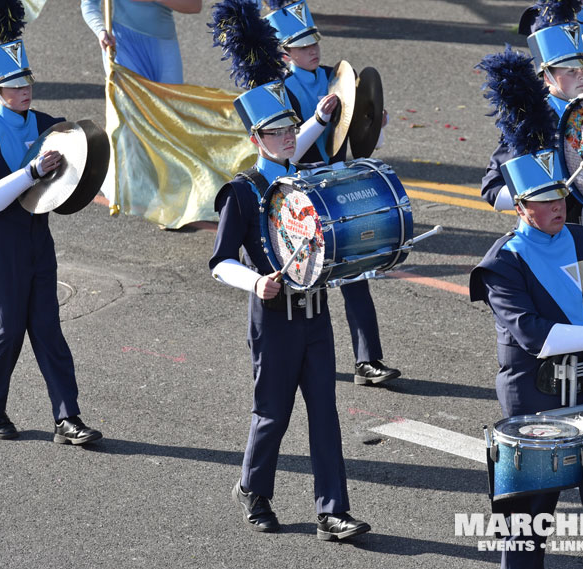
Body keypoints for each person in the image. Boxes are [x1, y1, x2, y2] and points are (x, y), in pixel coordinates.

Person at [472, 46, 583, 568]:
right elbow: (534, 336)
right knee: (528, 522)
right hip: (537, 399)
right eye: (545, 202)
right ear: (521, 207)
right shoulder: (501, 264)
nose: (558, 208)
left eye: (562, 198)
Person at [208, 0, 370, 540]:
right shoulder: (242, 191)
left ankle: (333, 511)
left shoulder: (309, 184)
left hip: (316, 312)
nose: (284, 138)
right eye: (274, 132)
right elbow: (220, 262)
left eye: (288, 130)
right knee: (272, 413)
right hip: (273, 315)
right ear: (256, 139)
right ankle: (255, 490)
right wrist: (258, 281)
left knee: (325, 413)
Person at [0, 0, 102, 445]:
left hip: (38, 240)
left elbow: (80, 165)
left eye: (27, 82)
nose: (24, 92)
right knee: (3, 329)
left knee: (47, 328)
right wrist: (31, 172)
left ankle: (67, 417)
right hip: (1, 244)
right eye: (13, 85)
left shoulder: (47, 124)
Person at [480, 0, 583, 396]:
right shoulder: (532, 123)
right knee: (573, 344)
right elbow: (491, 189)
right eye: (569, 70)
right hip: (561, 242)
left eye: (582, 66)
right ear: (546, 77)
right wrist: (540, 190)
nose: (581, 75)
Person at [265, 0, 401, 386]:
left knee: (354, 269)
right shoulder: (280, 93)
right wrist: (320, 118)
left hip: (335, 181)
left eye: (315, 43)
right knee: (303, 279)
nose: (314, 50)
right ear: (285, 52)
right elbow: (290, 148)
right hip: (300, 189)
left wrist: (375, 122)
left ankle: (368, 360)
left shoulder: (334, 77)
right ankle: (289, 358)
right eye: (303, 46)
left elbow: (359, 138)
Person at [80, 0, 202, 85]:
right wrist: (100, 30)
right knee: (130, 114)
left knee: (169, 111)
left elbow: (195, 5)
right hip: (123, 46)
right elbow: (89, 4)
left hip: (164, 47)